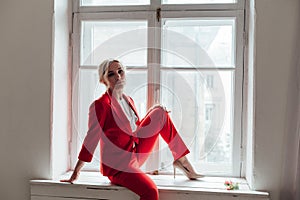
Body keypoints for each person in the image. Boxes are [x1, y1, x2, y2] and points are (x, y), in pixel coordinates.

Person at [61, 59, 203, 200]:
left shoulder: (128, 100)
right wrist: (76, 172)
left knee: (160, 113)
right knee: (151, 191)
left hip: (135, 153)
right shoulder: (101, 105)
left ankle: (182, 161)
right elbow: (91, 139)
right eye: (111, 74)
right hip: (118, 166)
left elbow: (135, 129)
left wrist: (155, 112)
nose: (117, 76)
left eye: (120, 71)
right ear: (103, 80)